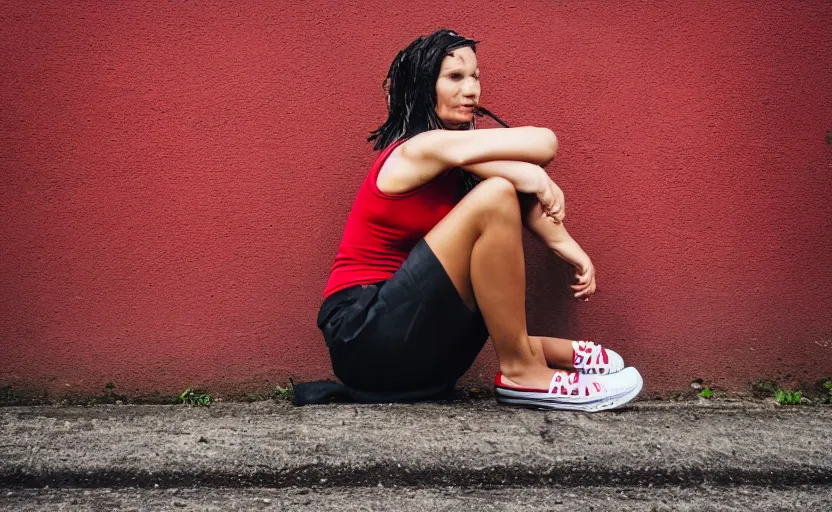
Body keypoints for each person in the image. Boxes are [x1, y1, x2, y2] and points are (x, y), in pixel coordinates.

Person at [315, 29, 642, 411]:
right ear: (424, 85)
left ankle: (536, 355)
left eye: (476, 76)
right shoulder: (416, 149)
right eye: (455, 77)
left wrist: (568, 247)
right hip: (363, 334)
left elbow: (509, 177)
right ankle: (525, 371)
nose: (471, 90)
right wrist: (530, 175)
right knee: (495, 195)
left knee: (493, 217)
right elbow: (545, 143)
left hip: (417, 352)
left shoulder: (456, 161)